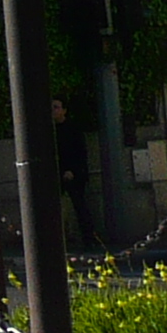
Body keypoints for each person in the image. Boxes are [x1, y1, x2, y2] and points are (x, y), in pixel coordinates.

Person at [53, 96, 100, 252]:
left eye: (56, 107)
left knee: (80, 206)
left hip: (74, 173)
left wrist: (72, 171)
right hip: (57, 174)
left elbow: (80, 152)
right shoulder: (49, 130)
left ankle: (89, 239)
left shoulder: (72, 128)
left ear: (64, 111)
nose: (53, 111)